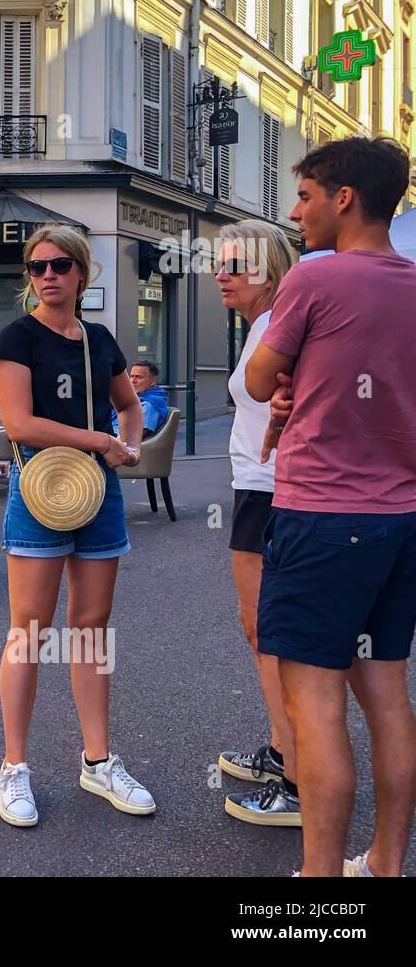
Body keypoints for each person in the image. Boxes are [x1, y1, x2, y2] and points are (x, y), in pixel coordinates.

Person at [245, 136, 416, 877]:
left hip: (321, 518)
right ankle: (383, 863)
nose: (295, 210)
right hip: (399, 521)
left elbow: (255, 380)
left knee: (312, 708)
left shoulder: (313, 280)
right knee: (388, 696)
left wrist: (286, 378)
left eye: (307, 194)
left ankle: (319, 893)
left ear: (345, 197)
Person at [0, 224, 152, 828]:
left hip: (97, 492)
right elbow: (19, 423)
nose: (48, 275)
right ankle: (14, 768)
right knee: (28, 631)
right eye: (36, 267)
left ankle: (98, 761)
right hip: (39, 488)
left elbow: (130, 405)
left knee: (90, 627)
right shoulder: (16, 338)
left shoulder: (101, 339)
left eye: (59, 265)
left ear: (82, 272)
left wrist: (128, 450)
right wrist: (100, 441)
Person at [208, 221, 301, 828]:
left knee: (265, 630)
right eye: (220, 263)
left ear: (267, 268)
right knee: (263, 631)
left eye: (236, 264)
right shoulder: (264, 328)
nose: (222, 273)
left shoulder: (278, 328)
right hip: (257, 487)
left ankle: (296, 779)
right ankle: (280, 752)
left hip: (269, 491)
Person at [111, 360, 168, 439]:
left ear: (153, 381)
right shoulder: (133, 398)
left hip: (118, 443)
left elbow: (135, 435)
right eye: (131, 376)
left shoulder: (150, 403)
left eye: (138, 377)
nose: (133, 381)